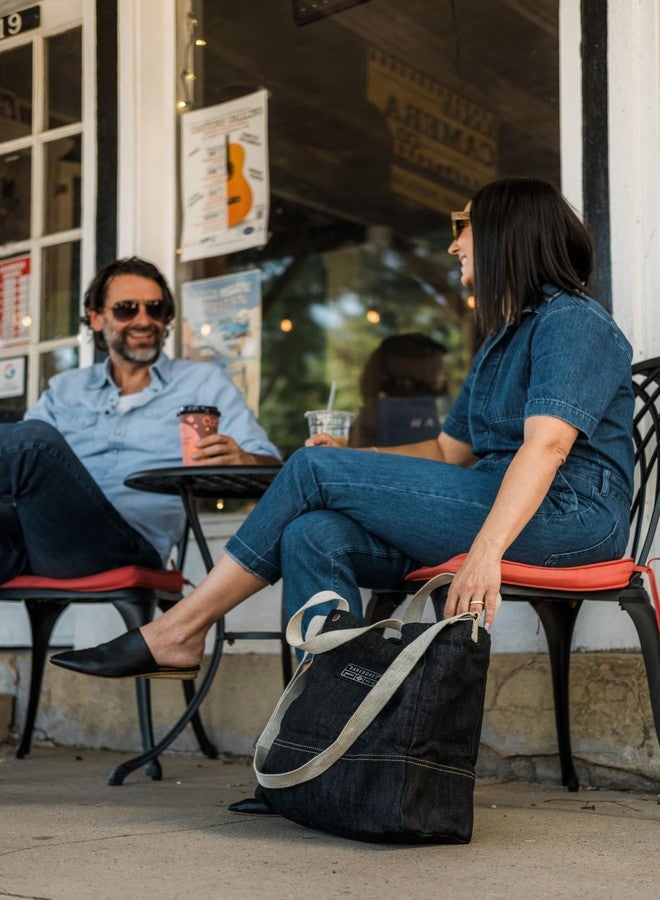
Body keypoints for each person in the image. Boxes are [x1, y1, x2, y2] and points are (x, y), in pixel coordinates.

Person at [51, 178, 634, 681]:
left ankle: (180, 628)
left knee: (310, 469)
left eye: (465, 226)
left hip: (568, 519)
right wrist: (354, 457)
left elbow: (549, 444)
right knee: (313, 532)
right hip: (497, 504)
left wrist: (486, 553)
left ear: (507, 233)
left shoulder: (574, 322)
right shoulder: (499, 339)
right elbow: (446, 449)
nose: (454, 243)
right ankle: (326, 743)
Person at [0, 256, 281, 583]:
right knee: (31, 445)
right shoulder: (66, 388)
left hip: (126, 545)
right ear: (96, 319)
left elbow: (272, 469)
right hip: (39, 538)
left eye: (156, 309)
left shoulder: (202, 383)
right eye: (126, 309)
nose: (144, 320)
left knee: (33, 444)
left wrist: (244, 458)